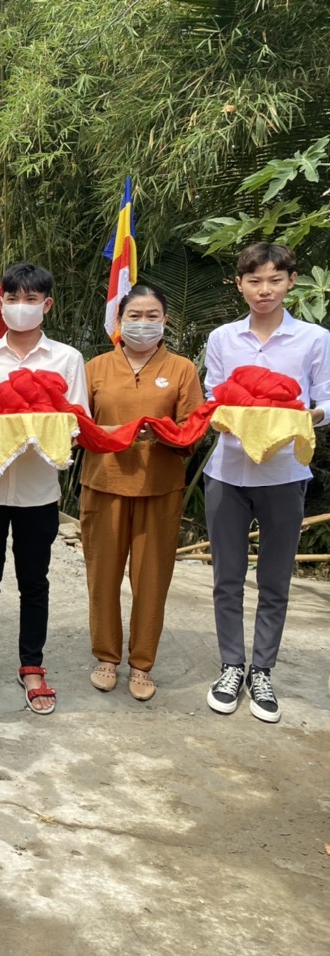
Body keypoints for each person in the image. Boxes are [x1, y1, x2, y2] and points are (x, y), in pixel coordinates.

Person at [203, 242, 329, 723]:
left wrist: (306, 416)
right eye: (254, 280)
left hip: (285, 474)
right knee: (227, 578)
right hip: (228, 473)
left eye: (275, 280)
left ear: (291, 281)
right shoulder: (222, 338)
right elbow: (215, 396)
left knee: (274, 580)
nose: (264, 290)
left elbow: (327, 401)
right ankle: (231, 665)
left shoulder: (315, 339)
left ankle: (262, 670)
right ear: (239, 284)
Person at [0, 262, 88, 715]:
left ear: (47, 305)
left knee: (35, 581)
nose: (21, 307)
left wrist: (37, 432)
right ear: (0, 304)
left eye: (31, 299)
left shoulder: (67, 360)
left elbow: (75, 422)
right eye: (13, 299)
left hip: (39, 489)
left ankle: (32, 665)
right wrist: (5, 432)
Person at [80, 284, 204, 701]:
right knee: (103, 575)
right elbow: (78, 426)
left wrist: (163, 433)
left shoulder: (183, 368)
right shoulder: (95, 367)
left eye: (153, 315)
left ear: (165, 320)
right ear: (119, 321)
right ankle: (106, 656)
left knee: (151, 579)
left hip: (160, 486)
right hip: (103, 483)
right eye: (135, 315)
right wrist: (109, 433)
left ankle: (142, 664)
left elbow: (192, 429)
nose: (143, 323)